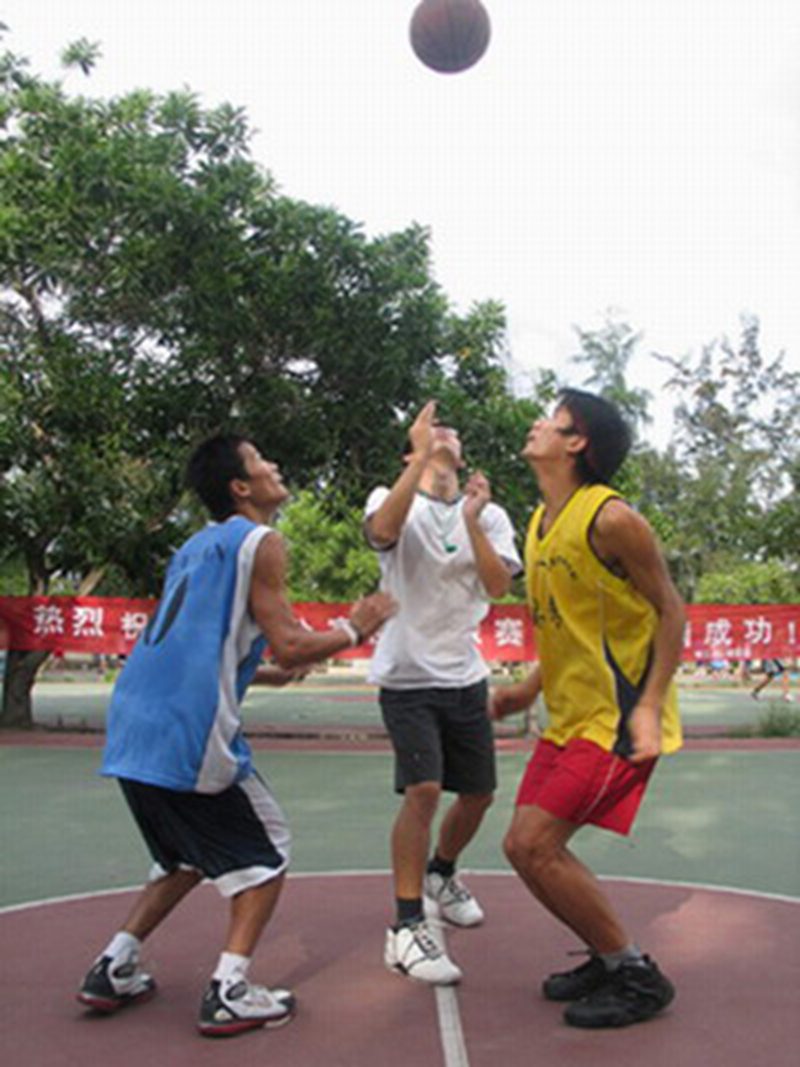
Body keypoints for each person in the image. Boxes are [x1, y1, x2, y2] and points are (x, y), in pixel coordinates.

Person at [76, 434, 394, 1037]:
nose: (274, 465)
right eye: (260, 461)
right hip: (187, 731)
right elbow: (291, 643)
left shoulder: (194, 547)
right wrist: (359, 626)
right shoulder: (260, 541)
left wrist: (263, 672)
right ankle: (229, 989)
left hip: (134, 724)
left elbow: (194, 639)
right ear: (241, 487)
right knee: (267, 850)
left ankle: (114, 963)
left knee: (183, 855)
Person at [490, 389, 685, 1029]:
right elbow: (570, 629)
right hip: (569, 719)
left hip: (617, 723)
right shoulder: (540, 523)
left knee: (536, 844)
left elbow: (671, 611)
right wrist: (529, 689)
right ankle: (608, 958)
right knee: (521, 849)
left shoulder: (612, 519)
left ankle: (636, 976)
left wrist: (649, 706)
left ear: (577, 443)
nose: (536, 423)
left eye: (552, 419)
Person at [365, 400, 523, 985]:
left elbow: (499, 585)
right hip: (407, 675)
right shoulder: (390, 498)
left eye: (450, 430)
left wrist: (474, 521)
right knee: (424, 789)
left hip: (464, 675)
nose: (445, 431)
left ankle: (442, 873)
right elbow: (382, 532)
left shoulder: (491, 512)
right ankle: (406, 927)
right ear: (411, 450)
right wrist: (418, 458)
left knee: (478, 795)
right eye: (433, 430)